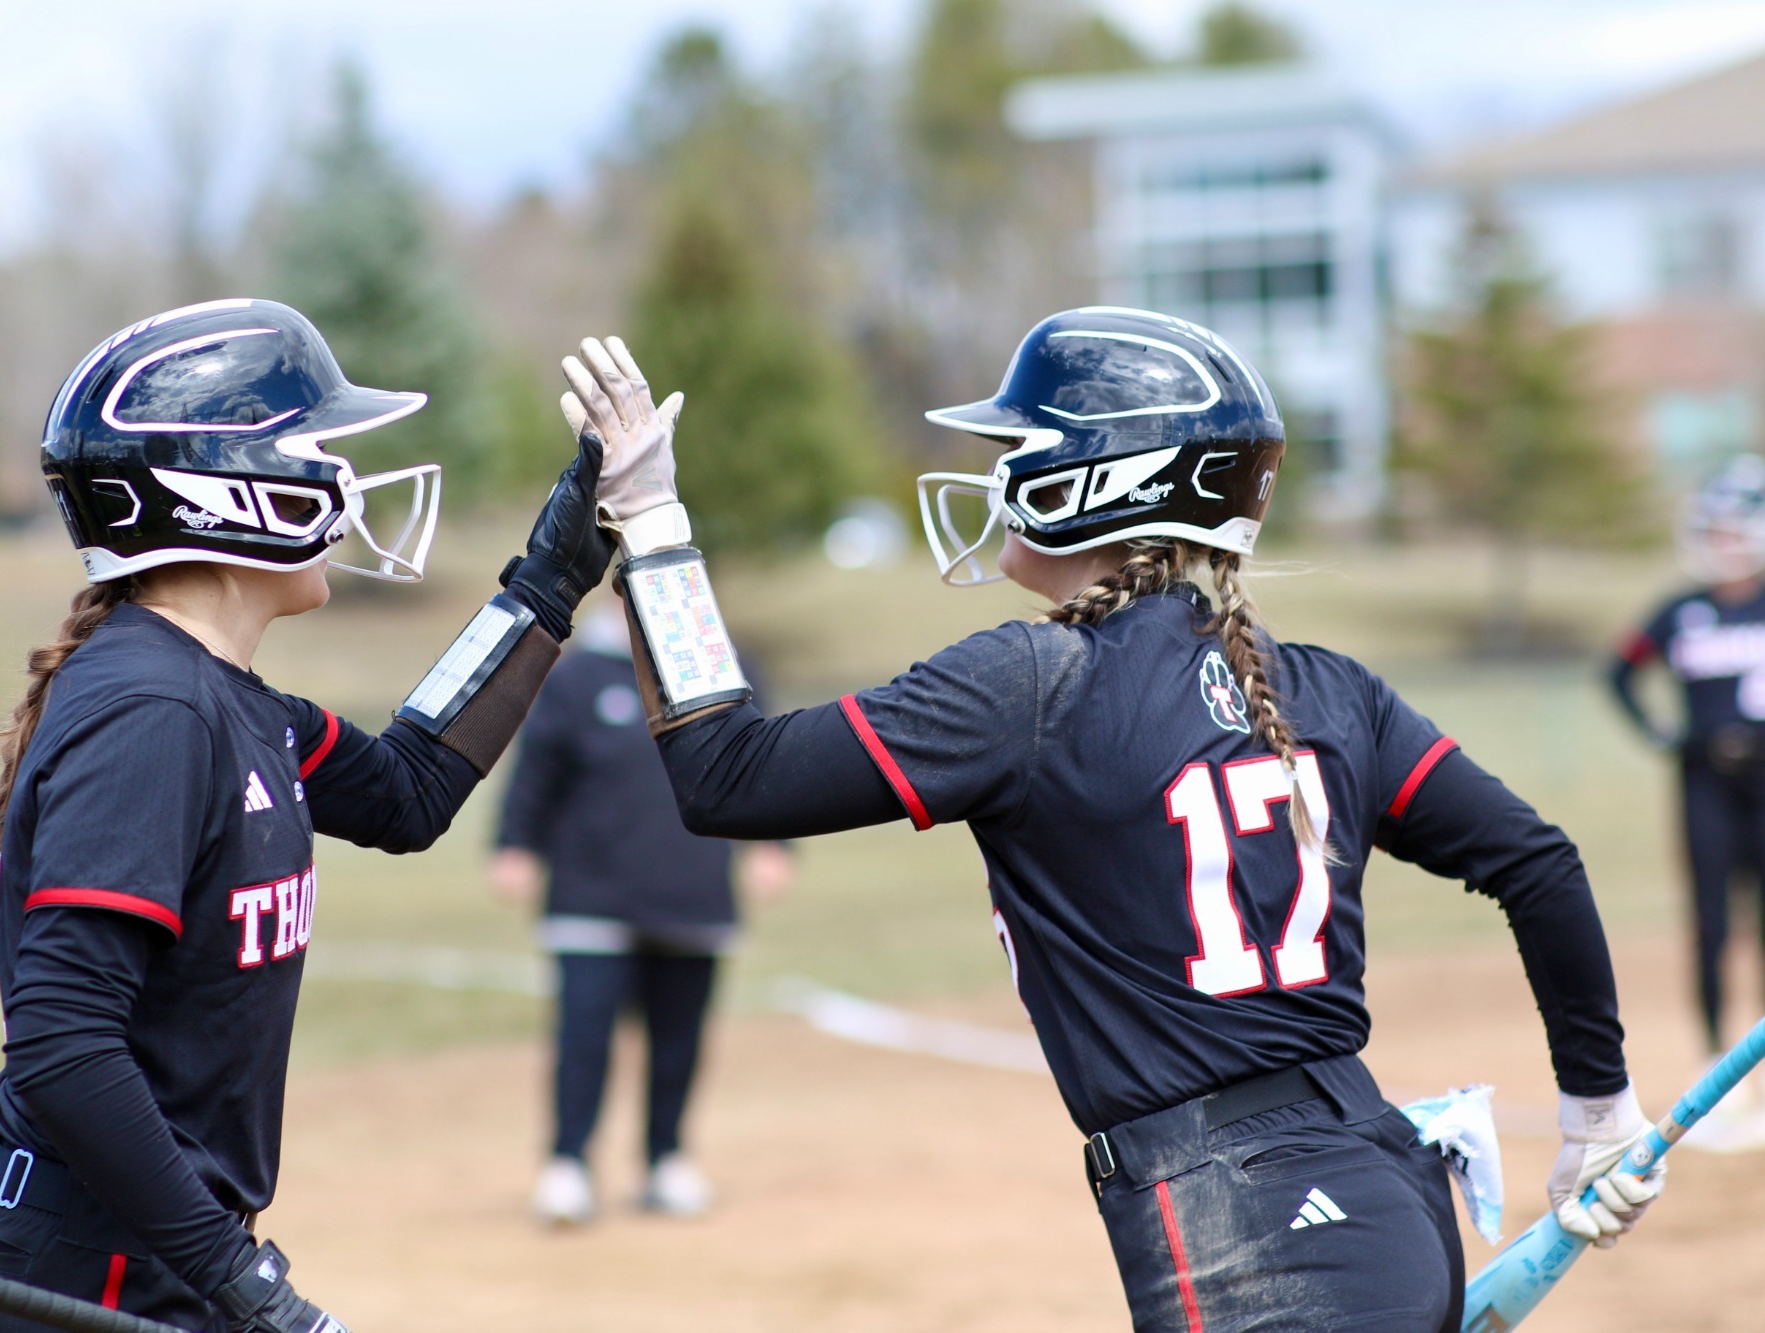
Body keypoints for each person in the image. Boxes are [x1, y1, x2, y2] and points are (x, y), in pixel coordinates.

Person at [554, 311, 1662, 1332]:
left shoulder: (1030, 682)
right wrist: (1598, 1112)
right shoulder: (1329, 687)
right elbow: (1537, 861)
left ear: (1103, 481)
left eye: (1019, 448)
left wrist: (651, 522)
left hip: (1251, 1239)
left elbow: (727, 776)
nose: (999, 476)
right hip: (1379, 1190)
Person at [0, 299, 614, 1332]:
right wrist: (245, 1286)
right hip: (73, 1284)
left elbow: (409, 789)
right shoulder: (153, 710)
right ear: (216, 490)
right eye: (315, 450)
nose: (342, 481)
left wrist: (550, 580)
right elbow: (64, 1046)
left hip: (149, 1262)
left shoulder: (228, 700)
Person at [489, 597, 794, 1225]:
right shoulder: (574, 676)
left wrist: (773, 843)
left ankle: (667, 1160)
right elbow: (536, 771)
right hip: (590, 893)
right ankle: (568, 1164)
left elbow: (763, 760)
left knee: (679, 1038)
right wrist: (516, 846)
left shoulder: (723, 665)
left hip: (692, 888)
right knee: (584, 1036)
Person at [1610, 455, 1765, 1131]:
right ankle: (1717, 1066)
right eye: (1714, 529)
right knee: (1711, 924)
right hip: (1704, 783)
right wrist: (1664, 734)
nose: (1720, 542)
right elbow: (1619, 671)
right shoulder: (1682, 610)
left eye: (1732, 529)